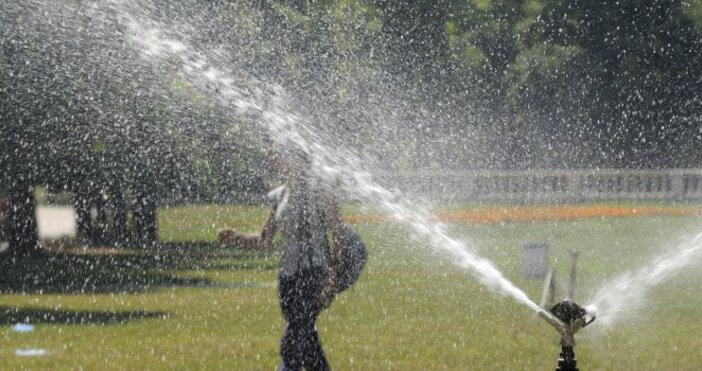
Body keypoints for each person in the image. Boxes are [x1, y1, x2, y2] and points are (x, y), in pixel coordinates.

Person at [218, 148, 336, 371]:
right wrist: (236, 237)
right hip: (287, 278)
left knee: (294, 338)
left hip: (314, 274)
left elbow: (338, 233)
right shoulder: (280, 195)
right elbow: (265, 240)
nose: (274, 159)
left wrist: (332, 275)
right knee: (306, 339)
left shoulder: (320, 191)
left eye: (279, 154)